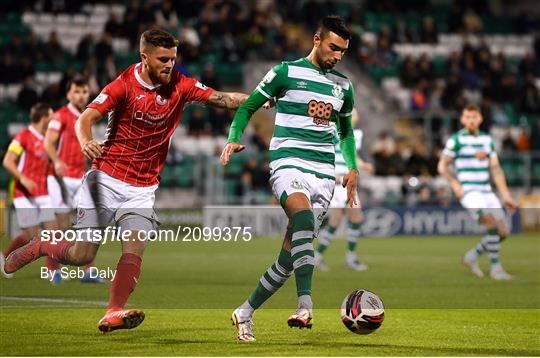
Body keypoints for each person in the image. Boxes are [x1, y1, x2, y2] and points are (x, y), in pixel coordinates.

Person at [4, 28, 251, 333]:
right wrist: (85, 141)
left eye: (173, 59)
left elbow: (222, 98)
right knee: (83, 255)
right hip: (105, 179)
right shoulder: (122, 85)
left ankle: (113, 312)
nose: (169, 65)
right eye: (163, 59)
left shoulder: (181, 85)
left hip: (143, 187)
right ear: (144, 57)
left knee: (134, 249)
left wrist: (259, 99)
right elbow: (86, 118)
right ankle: (42, 245)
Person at [220, 16, 358, 341]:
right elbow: (248, 106)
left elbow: (346, 133)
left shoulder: (344, 86)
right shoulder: (285, 71)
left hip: (324, 173)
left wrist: (352, 167)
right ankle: (305, 305)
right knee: (303, 217)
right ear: (316, 39)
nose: (338, 56)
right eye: (333, 48)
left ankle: (245, 312)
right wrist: (233, 136)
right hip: (288, 162)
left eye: (343, 52)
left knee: (287, 261)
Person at [438, 104, 517, 280]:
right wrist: (455, 184)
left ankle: (472, 255)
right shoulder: (456, 140)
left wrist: (506, 195)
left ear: (480, 118)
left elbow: (496, 170)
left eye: (474, 117)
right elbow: (442, 166)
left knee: (502, 232)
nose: (471, 120)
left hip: (487, 191)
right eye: (467, 117)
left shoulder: (487, 140)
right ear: (462, 119)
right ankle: (496, 269)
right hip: (469, 191)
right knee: (490, 222)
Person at [43, 75, 104, 284]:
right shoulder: (60, 116)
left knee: (88, 224)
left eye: (84, 91)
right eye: (76, 91)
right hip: (59, 178)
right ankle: (52, 270)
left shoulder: (88, 117)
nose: (80, 96)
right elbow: (48, 144)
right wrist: (57, 161)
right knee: (60, 227)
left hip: (79, 177)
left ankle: (88, 271)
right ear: (68, 94)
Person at [1, 103, 61, 282]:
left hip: (42, 192)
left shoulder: (48, 140)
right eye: (50, 117)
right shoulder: (23, 137)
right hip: (24, 193)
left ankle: (52, 271)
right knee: (31, 236)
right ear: (43, 118)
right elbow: (8, 161)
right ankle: (4, 255)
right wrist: (24, 178)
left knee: (54, 232)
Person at [314, 108, 373, 272]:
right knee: (339, 220)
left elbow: (351, 153)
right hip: (338, 181)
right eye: (353, 113)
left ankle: (343, 258)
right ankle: (326, 257)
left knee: (354, 218)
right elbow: (325, 153)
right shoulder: (333, 131)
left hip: (348, 181)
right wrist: (333, 175)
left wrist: (362, 165)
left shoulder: (356, 134)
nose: (356, 116)